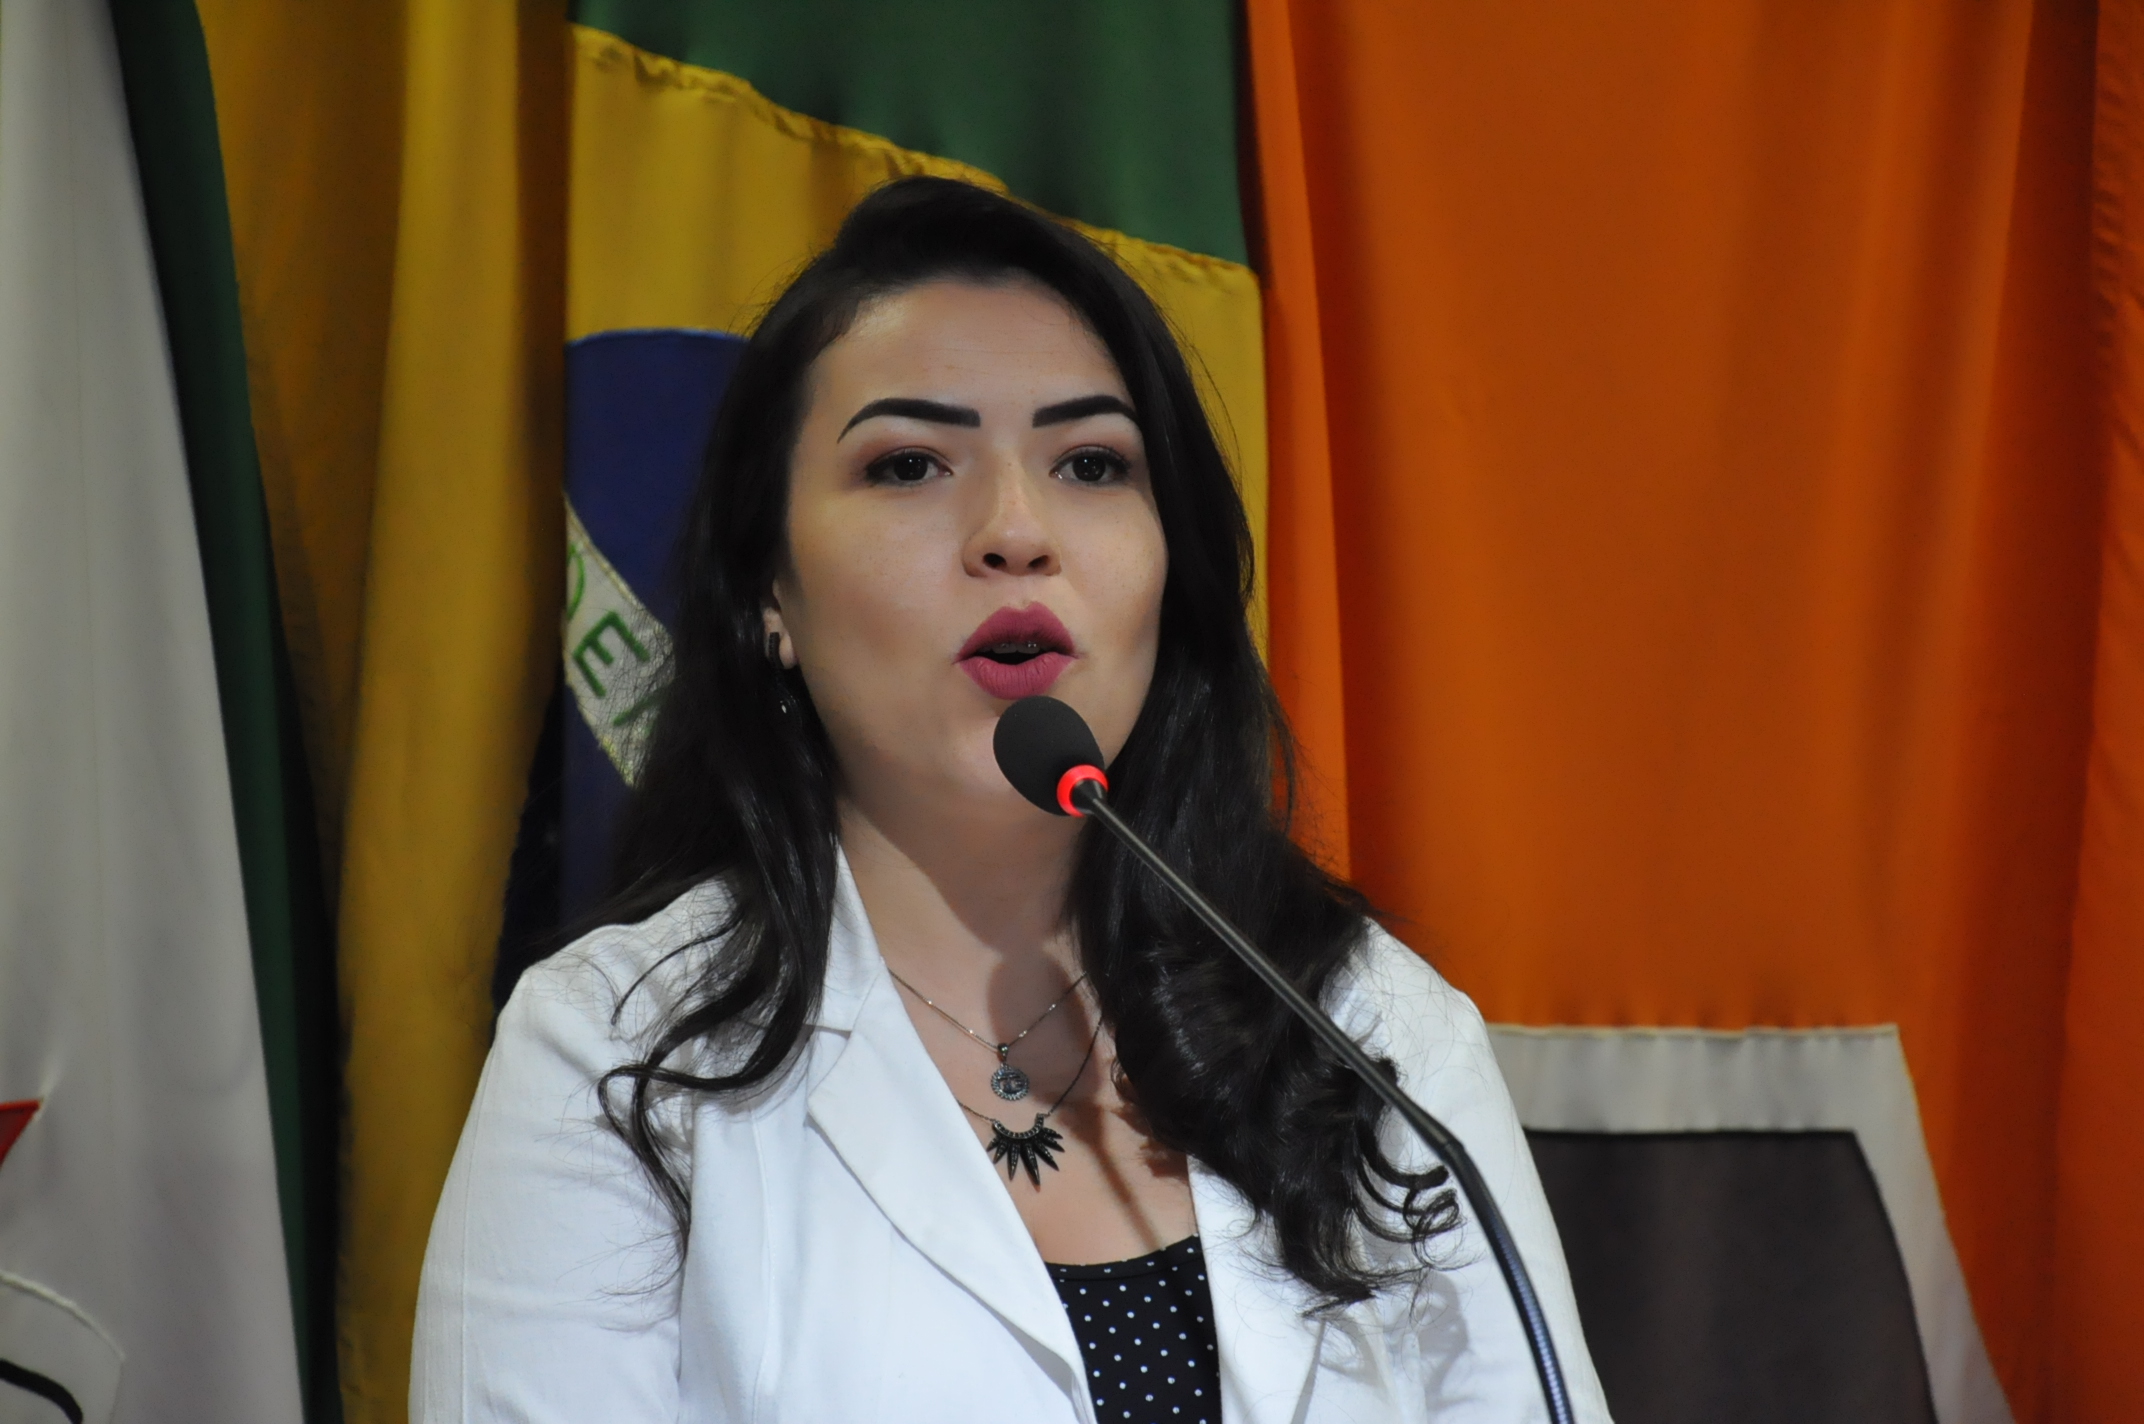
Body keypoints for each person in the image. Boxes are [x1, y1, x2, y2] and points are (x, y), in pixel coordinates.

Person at [412, 176, 1611, 1424]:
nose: (1014, 529)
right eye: (909, 464)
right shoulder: (613, 1058)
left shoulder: (1365, 1029)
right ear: (768, 592)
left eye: (1090, 462)